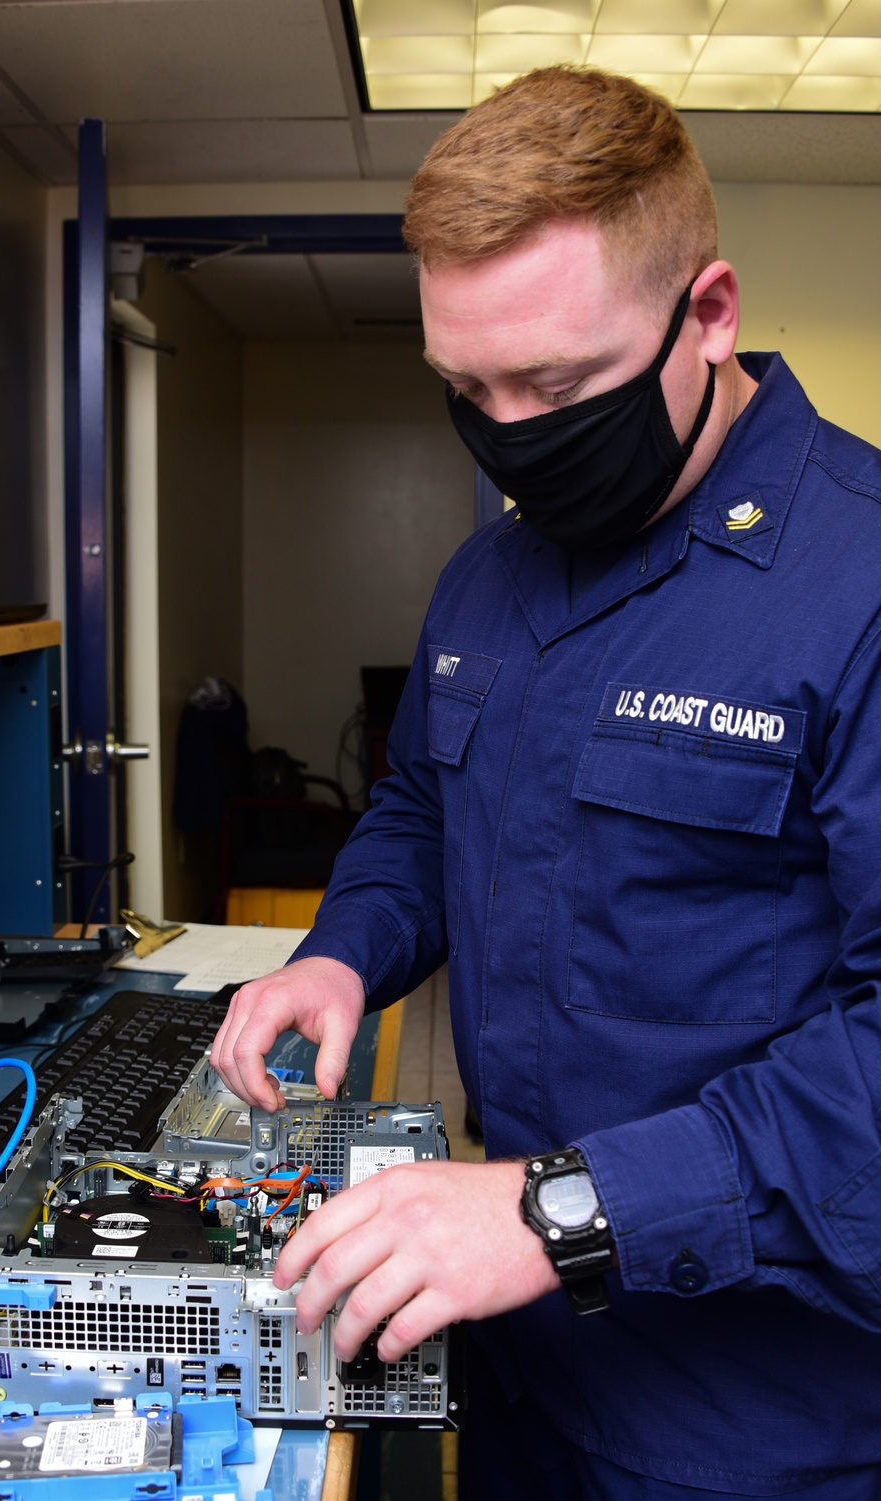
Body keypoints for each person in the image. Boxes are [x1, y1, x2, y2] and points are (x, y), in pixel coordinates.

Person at [210, 66, 881, 1499]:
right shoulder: (489, 576)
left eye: (558, 387)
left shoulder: (862, 583)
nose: (512, 432)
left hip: (761, 1416)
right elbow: (422, 810)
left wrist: (555, 1211)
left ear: (708, 314)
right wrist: (343, 954)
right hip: (513, 1360)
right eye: (469, 391)